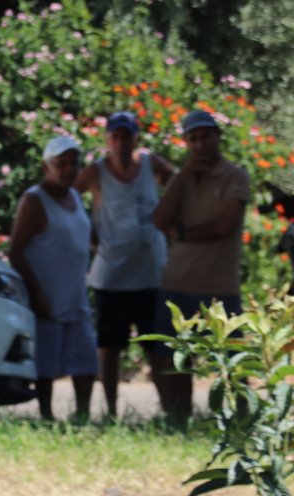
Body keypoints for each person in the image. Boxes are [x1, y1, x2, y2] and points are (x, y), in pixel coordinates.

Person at [151, 110, 251, 423]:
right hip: (177, 283)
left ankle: (242, 422)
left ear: (217, 136)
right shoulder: (182, 180)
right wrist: (182, 178)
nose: (200, 144)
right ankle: (178, 420)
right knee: (175, 360)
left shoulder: (235, 177)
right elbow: (159, 220)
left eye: (205, 136)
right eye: (193, 139)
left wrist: (182, 233)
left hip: (219, 287)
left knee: (233, 363)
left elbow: (224, 225)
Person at [75, 111, 176, 417]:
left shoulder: (151, 164)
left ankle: (169, 410)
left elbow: (178, 187)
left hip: (151, 273)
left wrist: (170, 224)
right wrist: (88, 233)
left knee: (157, 346)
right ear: (108, 139)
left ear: (136, 138)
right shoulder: (96, 172)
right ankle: (111, 411)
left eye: (126, 136)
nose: (121, 142)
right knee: (110, 347)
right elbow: (67, 198)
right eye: (115, 136)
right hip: (111, 275)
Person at [9, 135, 99, 421]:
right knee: (46, 365)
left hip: (75, 295)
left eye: (74, 163)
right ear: (46, 166)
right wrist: (37, 294)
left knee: (86, 361)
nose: (69, 169)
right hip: (47, 297)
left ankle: (82, 416)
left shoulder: (74, 196)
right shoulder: (35, 200)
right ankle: (46, 416)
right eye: (62, 163)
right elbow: (16, 252)